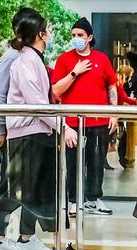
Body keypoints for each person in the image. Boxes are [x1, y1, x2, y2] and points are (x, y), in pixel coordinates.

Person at [0, 9, 86, 250]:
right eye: (47, 28)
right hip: (28, 136)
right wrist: (65, 128)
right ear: (40, 34)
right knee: (11, 193)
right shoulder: (24, 62)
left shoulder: (32, 59)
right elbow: (37, 104)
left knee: (49, 191)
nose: (50, 32)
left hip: (36, 134)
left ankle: (61, 245)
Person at [0, 7, 39, 250]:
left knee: (23, 187)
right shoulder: (11, 58)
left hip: (26, 131)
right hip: (14, 132)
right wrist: (0, 127)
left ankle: (22, 236)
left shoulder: (28, 56)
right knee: (10, 186)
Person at [50, 17, 119, 216]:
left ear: (89, 37)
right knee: (73, 163)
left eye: (80, 35)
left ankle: (93, 199)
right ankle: (72, 200)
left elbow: (111, 85)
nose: (76, 39)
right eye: (73, 35)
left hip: (99, 120)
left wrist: (114, 114)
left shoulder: (101, 59)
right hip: (72, 122)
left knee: (97, 162)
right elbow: (56, 90)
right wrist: (74, 72)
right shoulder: (65, 60)